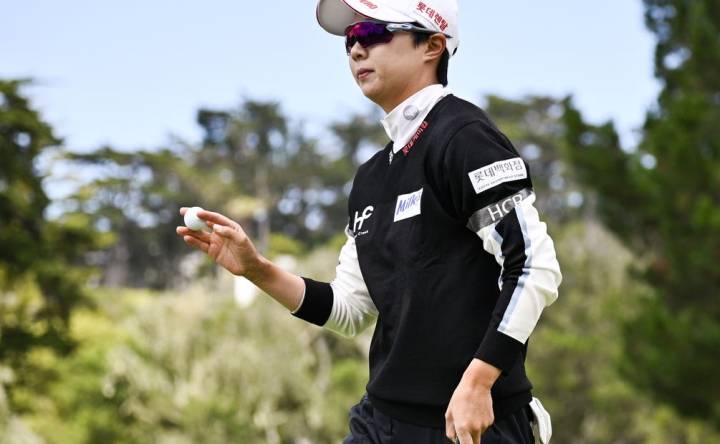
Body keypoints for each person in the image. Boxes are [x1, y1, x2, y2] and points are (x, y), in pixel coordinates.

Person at [176, 1, 561, 442]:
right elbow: (350, 310)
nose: (357, 50)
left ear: (432, 45)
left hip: (470, 421)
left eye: (374, 33)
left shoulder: (464, 137)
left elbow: (534, 268)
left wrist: (479, 381)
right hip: (381, 420)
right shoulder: (371, 176)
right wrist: (256, 269)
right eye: (350, 39)